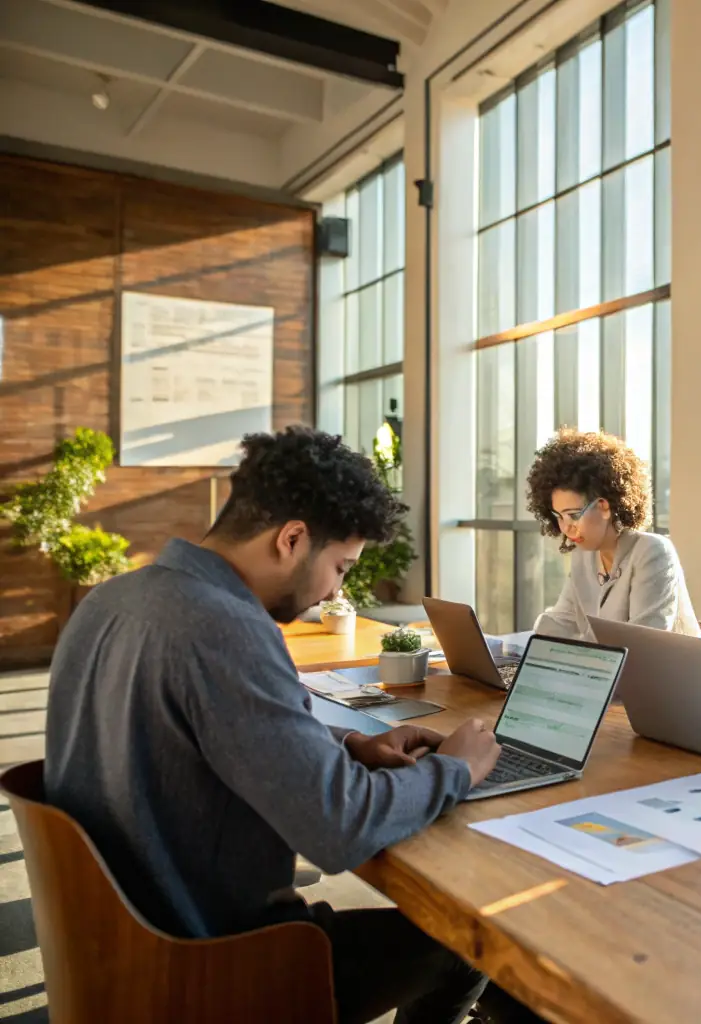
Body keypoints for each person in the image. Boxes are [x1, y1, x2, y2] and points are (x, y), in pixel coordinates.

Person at [44, 427, 530, 1024]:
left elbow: (201, 732)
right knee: (470, 938)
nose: (336, 589)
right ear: (292, 539)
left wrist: (351, 744)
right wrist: (454, 768)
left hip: (122, 951)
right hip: (221, 967)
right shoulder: (225, 628)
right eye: (341, 567)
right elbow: (340, 828)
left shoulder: (109, 601)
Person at [526, 428, 701, 640]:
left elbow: (644, 642)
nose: (565, 527)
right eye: (559, 516)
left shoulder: (652, 552)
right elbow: (561, 621)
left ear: (604, 507)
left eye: (573, 515)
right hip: (609, 671)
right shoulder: (584, 555)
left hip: (665, 671)